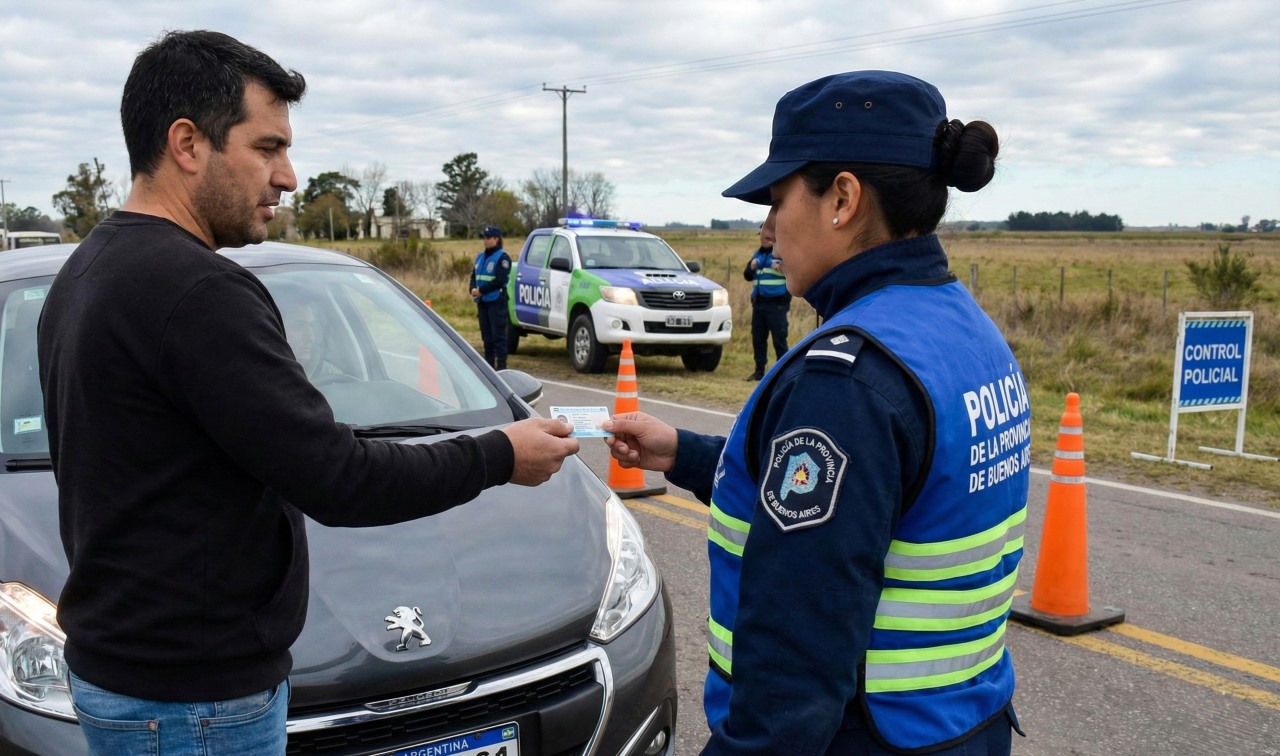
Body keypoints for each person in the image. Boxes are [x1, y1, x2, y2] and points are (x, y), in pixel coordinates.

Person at [36, 30, 578, 756]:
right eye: (267, 148)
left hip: (136, 678)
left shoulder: (86, 270)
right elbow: (340, 479)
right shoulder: (199, 292)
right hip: (197, 703)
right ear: (188, 143)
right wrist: (498, 454)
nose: (288, 178)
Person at [603, 70, 1029, 755]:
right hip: (964, 728)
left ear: (842, 199)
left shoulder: (849, 382)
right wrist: (681, 451)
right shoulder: (964, 331)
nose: (767, 231)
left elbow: (792, 673)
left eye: (776, 201)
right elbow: (869, 497)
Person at [741, 222, 790, 380]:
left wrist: (781, 268)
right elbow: (747, 275)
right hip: (759, 304)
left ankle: (782, 373)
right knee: (758, 338)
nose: (764, 239)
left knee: (779, 339)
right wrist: (752, 267)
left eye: (767, 236)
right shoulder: (758, 254)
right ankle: (759, 371)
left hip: (777, 304)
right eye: (762, 236)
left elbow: (795, 274)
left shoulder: (782, 254)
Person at [470, 225, 511, 369]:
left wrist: (481, 290)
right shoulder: (480, 257)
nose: (485, 241)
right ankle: (489, 368)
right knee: (486, 337)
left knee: (498, 337)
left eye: (488, 238)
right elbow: (474, 276)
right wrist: (472, 289)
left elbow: (500, 280)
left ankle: (501, 368)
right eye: (484, 238)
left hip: (496, 301)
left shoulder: (503, 258)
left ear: (496, 239)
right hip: (483, 302)